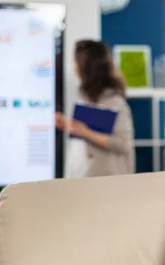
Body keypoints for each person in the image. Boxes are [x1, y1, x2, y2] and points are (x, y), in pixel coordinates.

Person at [56, 40, 135, 178]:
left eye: (75, 61)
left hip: (106, 184)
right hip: (82, 180)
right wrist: (68, 125)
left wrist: (85, 132)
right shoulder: (85, 98)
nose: (73, 66)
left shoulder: (115, 102)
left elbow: (123, 144)